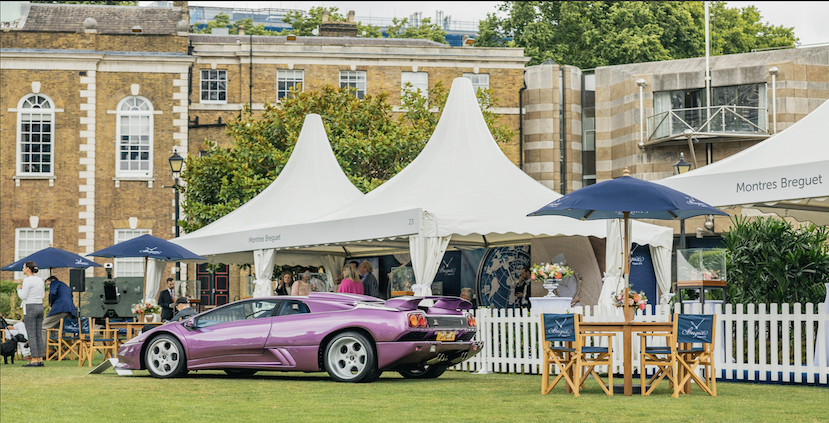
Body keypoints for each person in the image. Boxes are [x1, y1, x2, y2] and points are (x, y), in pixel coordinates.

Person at [16, 261, 45, 367]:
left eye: (23, 267)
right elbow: (42, 295)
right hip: (40, 306)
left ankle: (33, 360)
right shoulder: (40, 280)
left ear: (28, 268)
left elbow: (23, 296)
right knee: (38, 334)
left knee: (31, 334)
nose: (22, 269)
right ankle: (40, 359)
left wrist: (19, 289)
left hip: (30, 307)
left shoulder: (27, 280)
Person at [42, 276, 76, 353]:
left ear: (52, 280)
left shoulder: (54, 282)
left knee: (43, 327)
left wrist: (51, 304)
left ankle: (49, 350)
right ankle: (62, 353)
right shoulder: (65, 286)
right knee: (57, 330)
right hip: (70, 310)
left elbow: (52, 293)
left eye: (48, 284)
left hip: (60, 308)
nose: (48, 286)